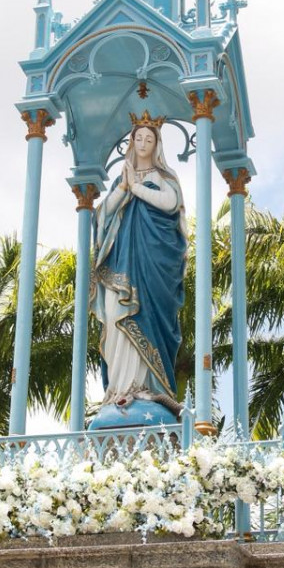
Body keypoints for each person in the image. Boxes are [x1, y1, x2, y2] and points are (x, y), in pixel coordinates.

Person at [92, 111, 187, 418]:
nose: (143, 142)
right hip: (121, 265)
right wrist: (123, 188)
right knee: (117, 315)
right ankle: (120, 388)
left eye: (149, 138)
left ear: (156, 144)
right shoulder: (123, 180)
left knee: (147, 316)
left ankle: (144, 386)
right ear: (131, 141)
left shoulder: (163, 177)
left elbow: (171, 204)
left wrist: (138, 190)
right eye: (139, 137)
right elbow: (103, 215)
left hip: (152, 266)